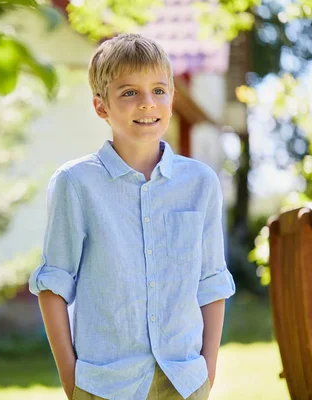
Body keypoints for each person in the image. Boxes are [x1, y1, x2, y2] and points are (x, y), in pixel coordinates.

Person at [28, 33, 236, 400]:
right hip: (103, 383)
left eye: (158, 90)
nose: (146, 103)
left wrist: (208, 370)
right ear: (101, 107)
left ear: (172, 96)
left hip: (185, 381)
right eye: (129, 92)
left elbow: (212, 282)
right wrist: (71, 381)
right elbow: (53, 285)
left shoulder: (201, 183)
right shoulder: (75, 184)